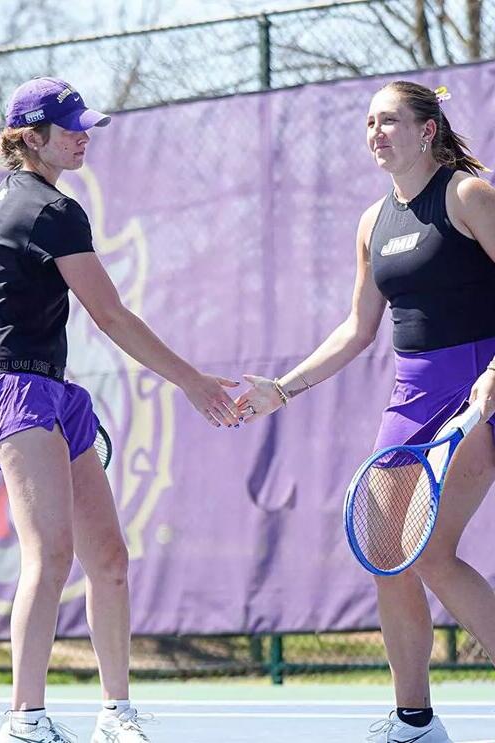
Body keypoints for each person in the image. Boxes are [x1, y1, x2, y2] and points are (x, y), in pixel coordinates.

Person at [0, 76, 241, 743]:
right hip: (18, 392)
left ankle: (114, 711)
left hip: (48, 391)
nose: (83, 136)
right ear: (31, 137)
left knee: (108, 556)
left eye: (84, 125)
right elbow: (109, 314)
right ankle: (24, 720)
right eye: (70, 126)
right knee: (49, 555)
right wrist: (191, 381)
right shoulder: (52, 212)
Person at [235, 81, 495, 743]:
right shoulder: (371, 222)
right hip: (412, 398)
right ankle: (415, 721)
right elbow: (357, 329)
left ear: (427, 130)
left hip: (478, 387)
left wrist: (493, 374)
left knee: (433, 554)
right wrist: (283, 387)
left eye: (390, 121)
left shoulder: (468, 194)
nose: (376, 133)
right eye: (369, 123)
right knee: (389, 554)